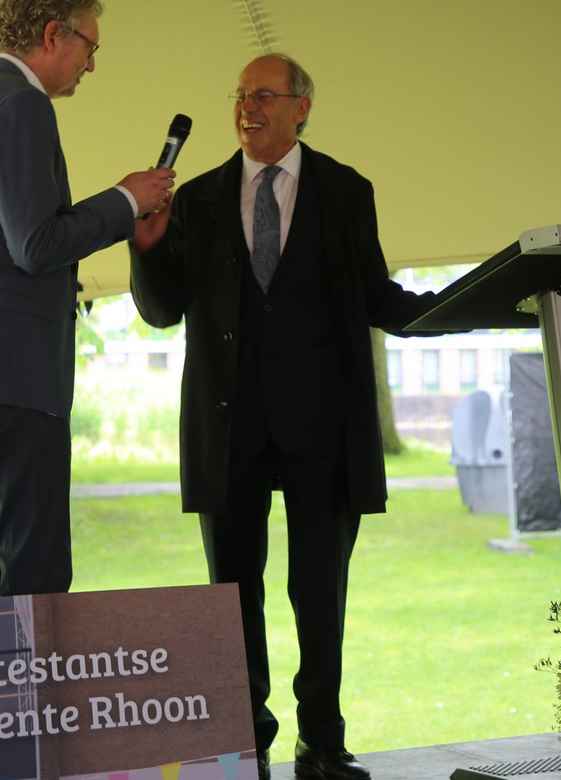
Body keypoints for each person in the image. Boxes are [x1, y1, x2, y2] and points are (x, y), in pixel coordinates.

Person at [128, 53, 440, 780]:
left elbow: (374, 294)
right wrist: (147, 245)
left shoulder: (346, 190)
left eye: (264, 95)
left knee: (319, 590)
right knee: (232, 592)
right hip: (227, 423)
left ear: (302, 107)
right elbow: (162, 310)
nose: (247, 107)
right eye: (240, 95)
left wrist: (458, 309)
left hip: (320, 422)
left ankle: (322, 740)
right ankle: (246, 738)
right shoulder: (199, 198)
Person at [0, 0, 175, 599]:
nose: (91, 65)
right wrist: (126, 200)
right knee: (35, 569)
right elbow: (36, 245)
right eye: (90, 47)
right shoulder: (21, 104)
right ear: (53, 34)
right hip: (9, 367)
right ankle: (27, 673)